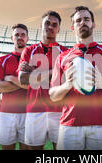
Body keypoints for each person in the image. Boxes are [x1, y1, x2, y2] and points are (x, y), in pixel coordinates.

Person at [49, 6, 102, 150]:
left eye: (87, 19)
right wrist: (67, 85)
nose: (83, 22)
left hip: (101, 124)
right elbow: (53, 95)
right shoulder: (62, 57)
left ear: (93, 24)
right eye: (78, 20)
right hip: (69, 124)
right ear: (73, 27)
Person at [17, 11, 68, 150]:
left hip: (60, 110)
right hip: (35, 109)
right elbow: (23, 79)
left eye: (54, 25)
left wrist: (35, 73)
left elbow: (67, 78)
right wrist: (55, 71)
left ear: (58, 29)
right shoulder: (29, 51)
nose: (50, 27)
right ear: (41, 25)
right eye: (47, 23)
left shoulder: (66, 52)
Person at [0, 24, 29, 150]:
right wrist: (24, 83)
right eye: (17, 35)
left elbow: (35, 86)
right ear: (12, 38)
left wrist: (11, 78)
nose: (20, 37)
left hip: (29, 113)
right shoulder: (2, 60)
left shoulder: (34, 59)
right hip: (7, 113)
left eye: (23, 35)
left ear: (27, 38)